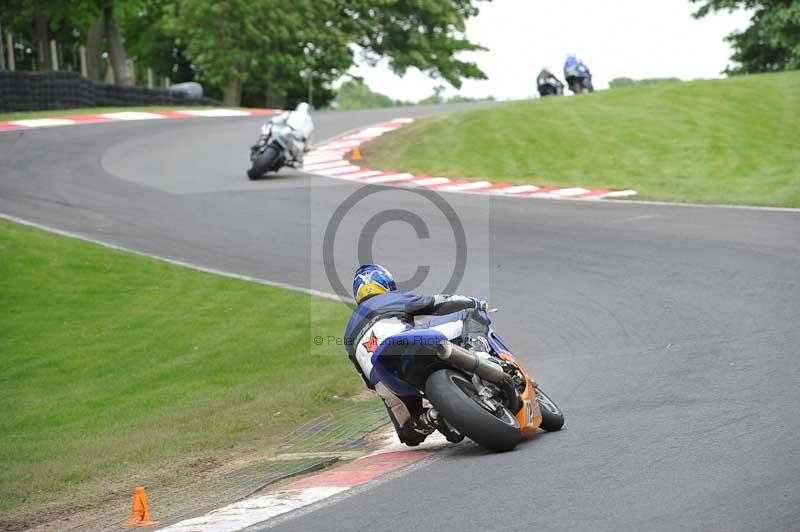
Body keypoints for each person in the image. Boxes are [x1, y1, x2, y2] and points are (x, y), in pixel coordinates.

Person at [343, 264, 493, 446]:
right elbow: (437, 303)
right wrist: (474, 303)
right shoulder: (392, 298)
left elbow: (367, 382)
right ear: (386, 284)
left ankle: (430, 417)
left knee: (408, 435)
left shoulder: (347, 334)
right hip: (408, 344)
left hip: (383, 378)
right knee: (472, 315)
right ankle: (481, 355)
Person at [262, 102, 314, 167]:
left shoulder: (290, 113)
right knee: (298, 163)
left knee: (267, 128)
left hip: (285, 133)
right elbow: (308, 143)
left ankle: (263, 141)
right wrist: (306, 149)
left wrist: (271, 122)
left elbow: (276, 120)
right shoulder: (310, 123)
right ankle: (286, 162)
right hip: (296, 142)